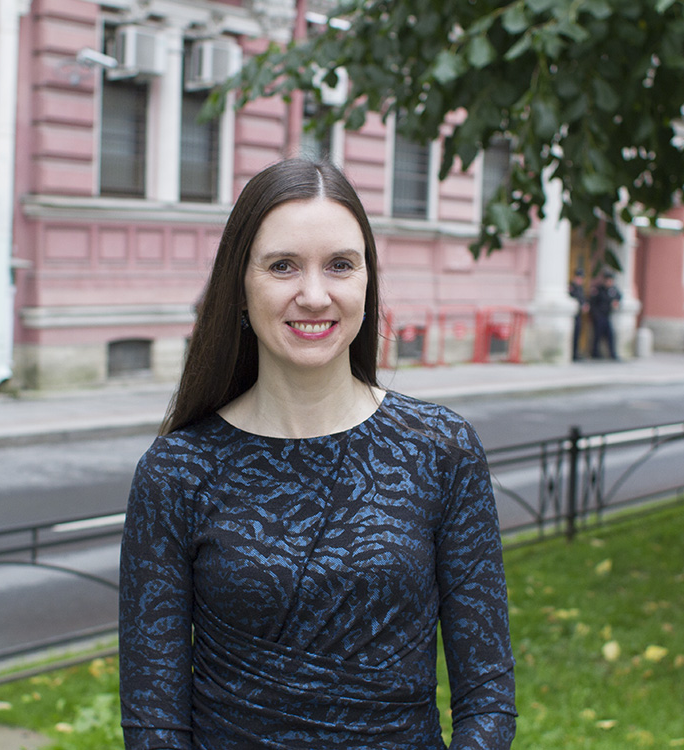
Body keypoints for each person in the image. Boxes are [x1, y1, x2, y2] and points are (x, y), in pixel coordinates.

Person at [118, 158, 516, 749]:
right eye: (283, 266)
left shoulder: (441, 450)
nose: (313, 295)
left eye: (340, 265)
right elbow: (154, 724)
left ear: (367, 282)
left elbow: (488, 700)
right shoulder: (177, 472)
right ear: (240, 287)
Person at [589, 270, 622, 360]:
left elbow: (619, 296)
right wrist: (596, 315)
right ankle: (594, 353)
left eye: (611, 281)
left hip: (607, 316)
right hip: (599, 316)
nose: (609, 282)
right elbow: (593, 303)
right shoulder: (598, 290)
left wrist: (616, 301)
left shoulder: (613, 290)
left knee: (610, 335)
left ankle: (612, 354)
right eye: (608, 280)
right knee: (597, 336)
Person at [569, 268, 588, 361]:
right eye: (579, 278)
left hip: (579, 315)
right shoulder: (571, 287)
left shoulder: (580, 288)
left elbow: (582, 299)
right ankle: (572, 354)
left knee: (577, 334)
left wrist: (585, 305)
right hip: (572, 316)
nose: (580, 280)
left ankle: (576, 353)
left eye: (582, 278)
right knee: (572, 335)